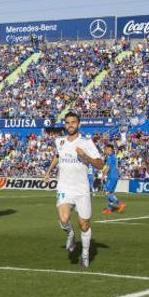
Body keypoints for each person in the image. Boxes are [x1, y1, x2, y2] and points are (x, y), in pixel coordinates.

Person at [43, 112, 104, 268]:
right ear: (65, 124)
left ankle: (85, 255)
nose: (70, 125)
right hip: (64, 187)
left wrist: (85, 156)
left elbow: (99, 164)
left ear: (79, 124)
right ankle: (70, 234)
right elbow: (58, 155)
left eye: (73, 122)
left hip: (82, 190)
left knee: (84, 225)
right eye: (67, 122)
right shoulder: (60, 141)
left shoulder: (86, 142)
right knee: (64, 219)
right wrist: (49, 170)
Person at [101, 144, 125, 214]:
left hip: (111, 176)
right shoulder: (114, 157)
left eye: (106, 149)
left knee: (107, 193)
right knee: (111, 193)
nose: (105, 150)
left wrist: (103, 177)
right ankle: (109, 209)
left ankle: (120, 203)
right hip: (115, 176)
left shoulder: (109, 157)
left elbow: (108, 167)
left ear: (109, 149)